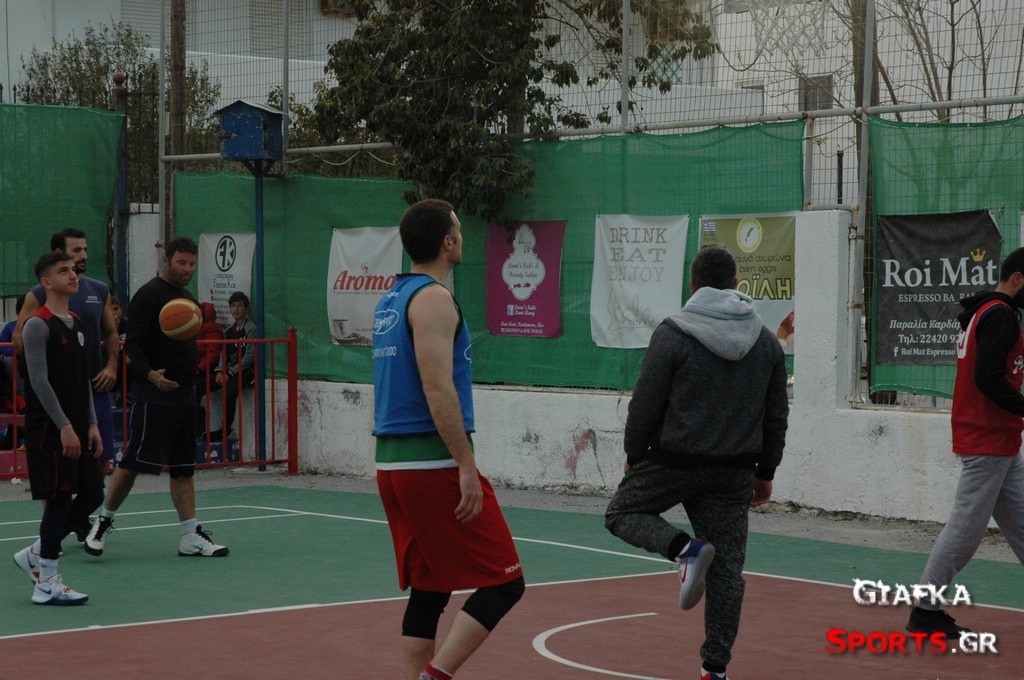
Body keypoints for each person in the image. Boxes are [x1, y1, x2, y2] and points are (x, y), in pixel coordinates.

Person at [604, 244, 789, 680]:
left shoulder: (673, 334)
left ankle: (684, 550)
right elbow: (776, 416)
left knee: (621, 513)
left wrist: (634, 455)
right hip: (734, 471)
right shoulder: (766, 343)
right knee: (727, 572)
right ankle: (715, 669)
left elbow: (645, 405)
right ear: (737, 285)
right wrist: (766, 472)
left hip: (674, 462)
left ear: (692, 285)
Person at [372, 199, 524, 680]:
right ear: (448, 242)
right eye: (458, 229)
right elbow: (436, 387)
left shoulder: (391, 299)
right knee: (506, 582)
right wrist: (465, 465)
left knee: (431, 586)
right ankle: (434, 677)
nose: (462, 236)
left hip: (392, 464)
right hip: (429, 463)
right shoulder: (434, 299)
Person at [84, 237, 228, 558]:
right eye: (181, 263)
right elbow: (132, 344)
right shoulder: (149, 295)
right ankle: (101, 523)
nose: (187, 269)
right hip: (154, 394)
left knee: (183, 467)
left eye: (192, 264)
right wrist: (151, 374)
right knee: (133, 462)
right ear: (167, 261)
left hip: (185, 394)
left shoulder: (187, 299)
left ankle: (189, 536)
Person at [906, 247, 1024, 637]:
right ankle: (925, 610)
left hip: (999, 439)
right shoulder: (1000, 316)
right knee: (964, 531)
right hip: (987, 438)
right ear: (1018, 279)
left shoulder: (984, 311)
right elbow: (988, 378)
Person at [13, 229, 119, 534]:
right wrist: (53, 366)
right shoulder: (38, 297)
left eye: (84, 250)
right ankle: (53, 534)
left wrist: (111, 366)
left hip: (92, 389)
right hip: (58, 397)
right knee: (57, 479)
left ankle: (68, 525)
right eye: (75, 251)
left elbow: (111, 333)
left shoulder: (98, 290)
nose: (83, 256)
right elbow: (21, 337)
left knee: (95, 467)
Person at [12, 252, 104, 605]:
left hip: (78, 424)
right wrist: (64, 425)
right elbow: (38, 381)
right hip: (50, 429)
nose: (73, 274)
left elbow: (82, 378)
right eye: (63, 271)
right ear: (46, 282)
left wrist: (91, 423)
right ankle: (46, 581)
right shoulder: (37, 325)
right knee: (59, 500)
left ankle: (36, 552)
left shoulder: (77, 322)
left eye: (73, 270)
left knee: (93, 493)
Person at [206, 292, 255, 440]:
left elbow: (249, 357)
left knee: (229, 394)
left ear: (246, 308)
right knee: (201, 386)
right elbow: (223, 354)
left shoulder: (251, 329)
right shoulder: (229, 331)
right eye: (233, 306)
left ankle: (225, 430)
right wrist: (220, 371)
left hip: (246, 371)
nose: (236, 309)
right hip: (228, 371)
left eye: (240, 306)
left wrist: (230, 373)